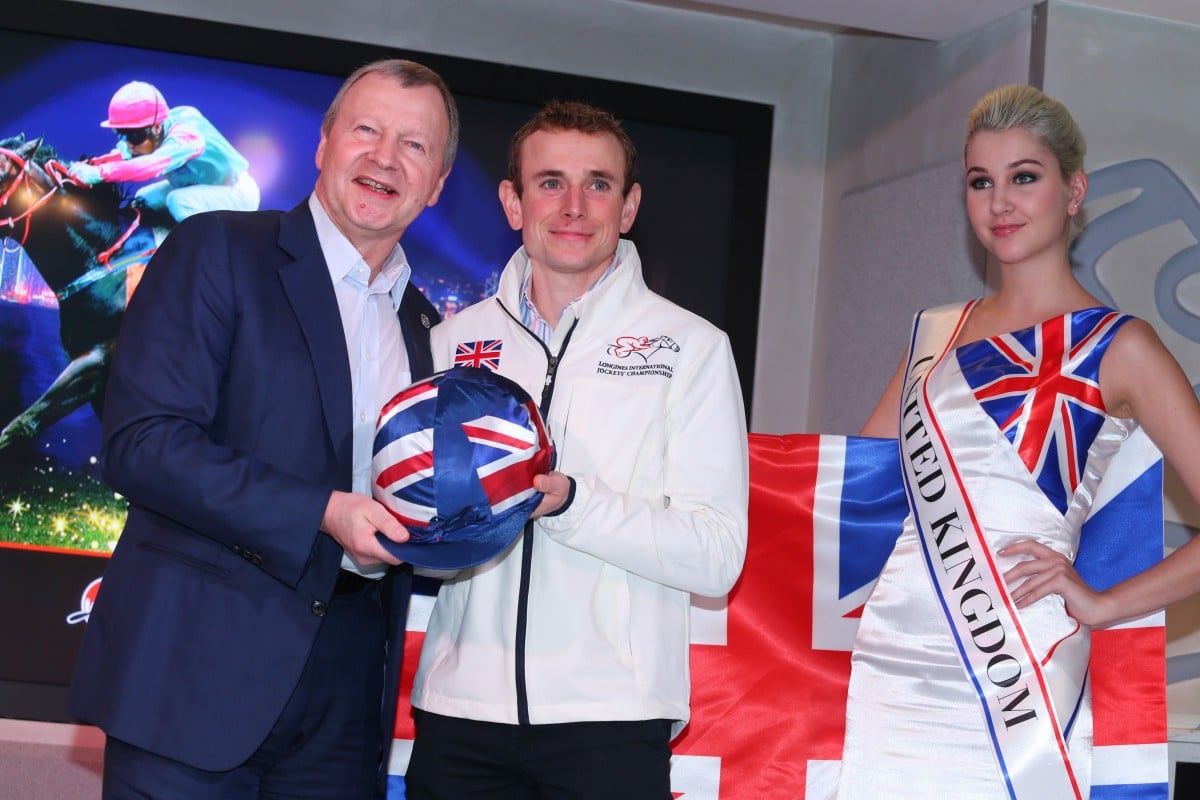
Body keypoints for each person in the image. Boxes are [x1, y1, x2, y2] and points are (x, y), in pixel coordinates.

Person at [67, 59, 457, 799]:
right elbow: (143, 443)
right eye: (366, 130)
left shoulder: (424, 327)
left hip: (347, 692)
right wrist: (323, 510)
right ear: (324, 144)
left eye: (414, 145)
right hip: (194, 671)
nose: (384, 157)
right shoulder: (217, 251)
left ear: (436, 183)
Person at [838, 84, 1200, 798]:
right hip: (889, 665)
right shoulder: (933, 335)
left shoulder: (1120, 347)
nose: (1000, 202)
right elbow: (849, 495)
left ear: (1073, 192)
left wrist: (1101, 603)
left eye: (1024, 177)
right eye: (981, 182)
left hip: (1015, 673)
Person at [403, 100, 749, 799]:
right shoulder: (446, 345)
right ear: (512, 201)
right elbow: (412, 523)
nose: (573, 205)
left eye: (599, 184)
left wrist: (572, 501)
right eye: (549, 181)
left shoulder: (691, 348)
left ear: (628, 208)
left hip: (609, 726)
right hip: (458, 716)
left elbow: (716, 559)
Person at [68, 80, 260, 222]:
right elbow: (122, 156)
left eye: (134, 136)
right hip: (198, 186)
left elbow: (151, 165)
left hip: (235, 192)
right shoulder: (149, 136)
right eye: (121, 134)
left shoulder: (186, 135)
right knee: (144, 199)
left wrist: (100, 173)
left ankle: (209, 260)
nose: (128, 144)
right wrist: (91, 165)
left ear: (157, 128)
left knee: (178, 201)